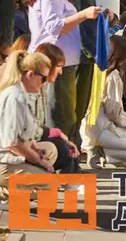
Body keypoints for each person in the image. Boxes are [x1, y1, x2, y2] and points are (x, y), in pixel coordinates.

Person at [26, 0, 103, 149]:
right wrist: (83, 14)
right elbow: (53, 27)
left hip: (62, 62)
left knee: (66, 116)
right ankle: (58, 166)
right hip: (53, 62)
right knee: (61, 117)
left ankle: (61, 164)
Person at [0, 51, 59, 207]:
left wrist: (36, 151)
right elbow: (12, 143)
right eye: (43, 78)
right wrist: (38, 161)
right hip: (3, 159)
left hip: (9, 154)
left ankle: (11, 191)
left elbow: (24, 135)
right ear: (31, 74)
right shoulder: (14, 97)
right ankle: (5, 193)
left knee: (50, 149)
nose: (45, 83)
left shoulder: (22, 93)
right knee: (50, 184)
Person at [86, 36, 126, 167]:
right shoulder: (113, 76)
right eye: (125, 56)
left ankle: (108, 148)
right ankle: (106, 154)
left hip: (93, 123)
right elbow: (113, 111)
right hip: (102, 128)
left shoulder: (97, 67)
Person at [71, 0, 111, 147]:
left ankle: (72, 154)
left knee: (81, 106)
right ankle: (69, 160)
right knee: (75, 109)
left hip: (85, 54)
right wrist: (91, 51)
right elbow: (76, 18)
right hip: (80, 55)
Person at [31, 43, 81, 174]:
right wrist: (52, 134)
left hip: (32, 138)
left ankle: (71, 181)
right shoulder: (27, 91)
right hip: (19, 147)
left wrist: (56, 134)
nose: (61, 72)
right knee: (61, 147)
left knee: (66, 145)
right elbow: (25, 132)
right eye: (58, 67)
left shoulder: (41, 89)